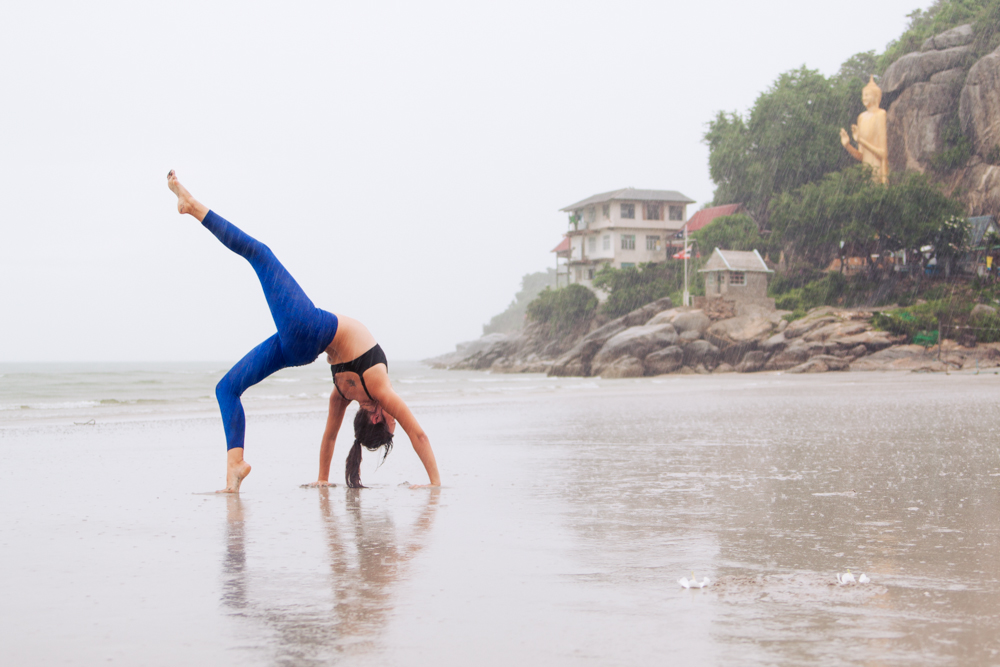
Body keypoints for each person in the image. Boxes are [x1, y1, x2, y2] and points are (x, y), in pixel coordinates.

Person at [166, 171, 441, 492]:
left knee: (260, 253)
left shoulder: (377, 387)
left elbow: (417, 434)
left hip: (307, 329)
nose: (396, 421)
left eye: (390, 425)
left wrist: (435, 484)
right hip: (299, 347)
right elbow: (330, 436)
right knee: (226, 389)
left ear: (378, 418)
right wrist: (323, 479)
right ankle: (234, 468)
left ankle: (192, 206)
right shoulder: (347, 393)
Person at [839, 75, 889, 184]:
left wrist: (861, 140)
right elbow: (861, 156)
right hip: (866, 174)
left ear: (876, 96)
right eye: (863, 95)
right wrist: (847, 145)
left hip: (878, 172)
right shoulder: (861, 117)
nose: (864, 98)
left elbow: (883, 154)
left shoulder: (880, 114)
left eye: (867, 95)